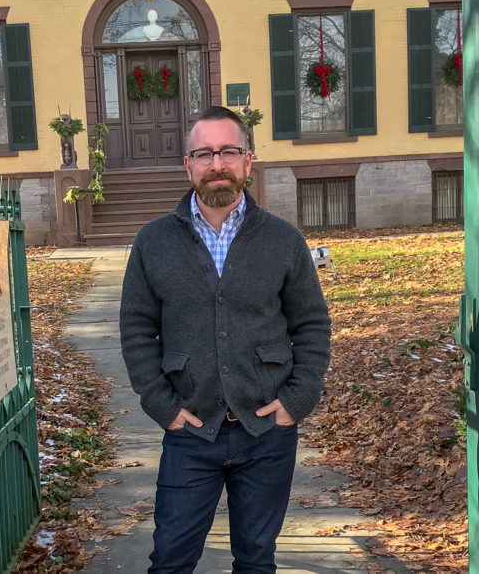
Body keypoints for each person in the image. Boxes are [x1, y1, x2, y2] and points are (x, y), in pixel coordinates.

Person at [119, 105, 331, 573]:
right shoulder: (153, 242)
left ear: (248, 161)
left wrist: (298, 399)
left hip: (267, 432)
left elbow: (312, 323)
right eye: (204, 153)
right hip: (191, 429)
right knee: (170, 559)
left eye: (228, 151)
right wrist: (160, 404)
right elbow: (136, 328)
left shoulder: (283, 240)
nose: (217, 164)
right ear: (188, 165)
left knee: (256, 560)